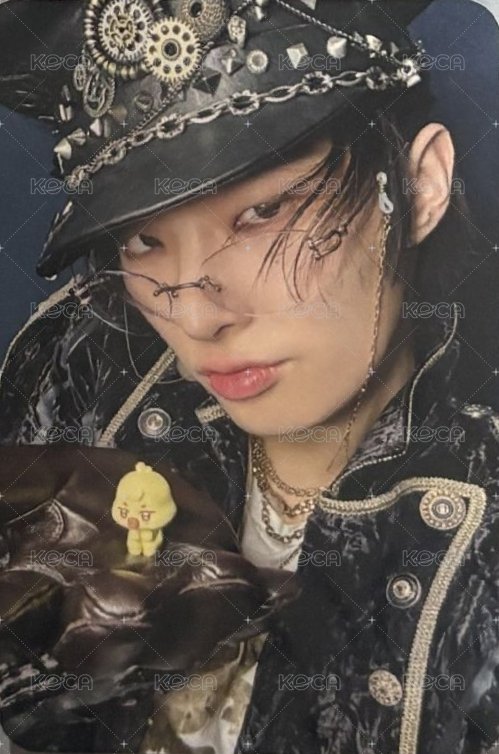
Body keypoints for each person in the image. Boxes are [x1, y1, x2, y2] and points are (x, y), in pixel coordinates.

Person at [0, 1, 498, 752]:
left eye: (262, 212)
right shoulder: (84, 369)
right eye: (143, 241)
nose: (198, 315)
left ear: (419, 184)